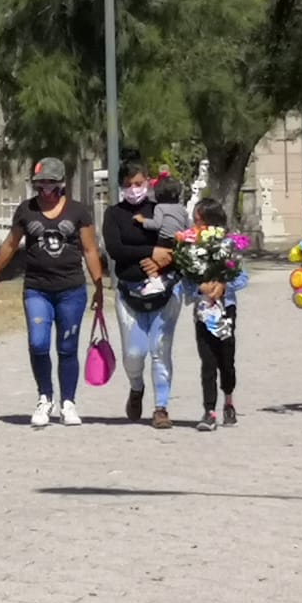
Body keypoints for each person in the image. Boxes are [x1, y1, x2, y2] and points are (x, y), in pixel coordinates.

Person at [0, 157, 106, 427]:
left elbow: (89, 250)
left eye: (50, 182)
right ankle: (44, 397)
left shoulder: (78, 211)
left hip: (71, 289)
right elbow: (11, 243)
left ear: (61, 183)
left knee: (66, 347)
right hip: (37, 289)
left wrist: (98, 286)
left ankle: (68, 402)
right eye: (40, 183)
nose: (45, 188)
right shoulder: (26, 211)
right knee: (38, 344)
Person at [101, 157, 183, 429]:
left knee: (161, 350)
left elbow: (182, 242)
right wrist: (151, 253)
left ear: (148, 182)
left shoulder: (162, 209)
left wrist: (166, 259)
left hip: (165, 293)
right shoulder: (113, 214)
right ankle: (136, 387)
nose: (135, 189)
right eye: (128, 184)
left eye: (139, 183)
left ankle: (161, 407)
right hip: (129, 293)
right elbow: (115, 249)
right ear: (121, 186)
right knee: (134, 353)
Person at [187, 198, 247, 432]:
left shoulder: (229, 246)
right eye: (195, 221)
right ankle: (209, 410)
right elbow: (186, 281)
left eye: (200, 221)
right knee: (207, 361)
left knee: (226, 360)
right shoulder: (190, 248)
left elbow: (242, 277)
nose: (196, 225)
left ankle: (228, 400)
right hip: (203, 310)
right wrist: (199, 287)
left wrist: (223, 285)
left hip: (225, 308)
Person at [133, 174, 189, 298]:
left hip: (163, 240)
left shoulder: (160, 207)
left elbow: (156, 224)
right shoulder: (182, 209)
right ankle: (162, 279)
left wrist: (142, 221)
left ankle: (155, 282)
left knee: (147, 260)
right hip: (178, 241)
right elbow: (187, 226)